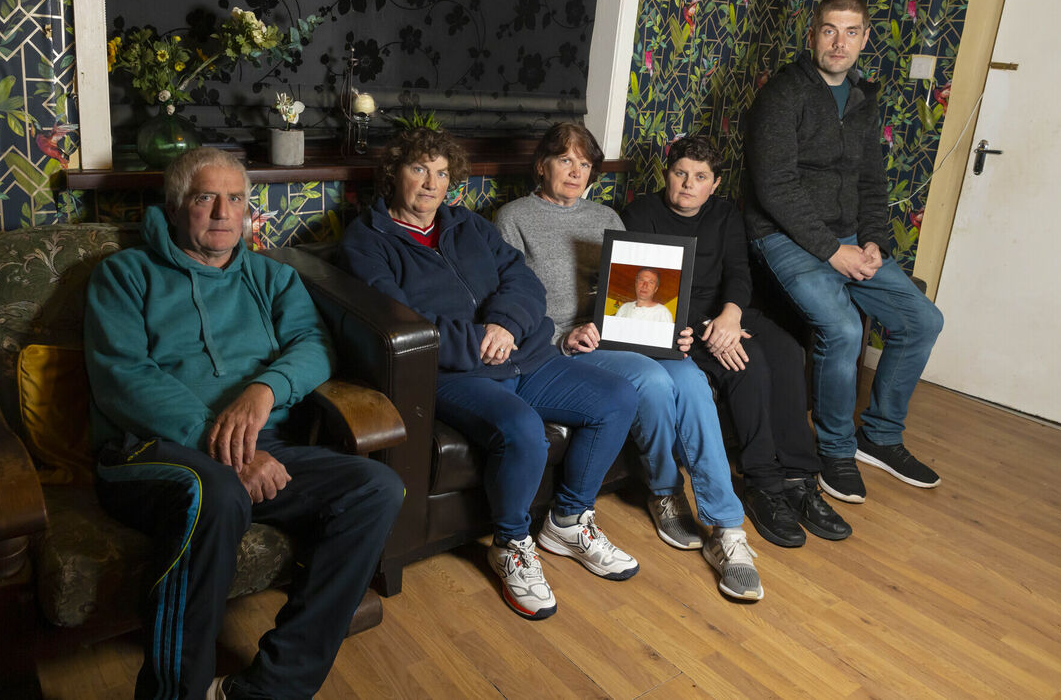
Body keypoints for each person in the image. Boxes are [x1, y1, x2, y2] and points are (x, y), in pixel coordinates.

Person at [84, 148, 403, 700]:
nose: (222, 212)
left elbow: (313, 344)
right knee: (218, 490)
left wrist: (264, 391)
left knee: (376, 488)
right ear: (176, 205)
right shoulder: (124, 274)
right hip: (150, 450)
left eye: (236, 199)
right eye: (206, 197)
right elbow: (124, 377)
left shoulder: (271, 277)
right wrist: (225, 444)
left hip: (266, 442)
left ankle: (268, 690)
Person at [339, 127, 641, 621]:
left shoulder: (468, 225)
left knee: (617, 398)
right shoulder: (368, 241)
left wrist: (505, 324)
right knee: (523, 429)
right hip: (455, 372)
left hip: (525, 353)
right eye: (419, 169)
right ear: (393, 174)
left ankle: (568, 519)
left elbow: (522, 281)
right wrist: (479, 341)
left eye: (441, 172)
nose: (431, 183)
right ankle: (512, 544)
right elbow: (399, 318)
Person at [496, 123, 765, 601]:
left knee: (693, 380)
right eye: (565, 161)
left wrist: (670, 328)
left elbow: (635, 291)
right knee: (654, 383)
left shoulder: (607, 217)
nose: (576, 172)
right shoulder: (513, 218)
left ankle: (727, 528)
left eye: (584, 164)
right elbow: (511, 299)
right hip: (564, 344)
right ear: (543, 165)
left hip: (620, 333)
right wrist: (564, 337)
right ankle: (663, 490)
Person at [743, 0, 945, 504]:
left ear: (865, 38)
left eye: (851, 31)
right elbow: (776, 187)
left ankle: (877, 436)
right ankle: (835, 451)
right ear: (812, 35)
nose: (839, 42)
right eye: (829, 30)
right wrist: (835, 252)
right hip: (783, 235)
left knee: (923, 320)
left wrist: (873, 241)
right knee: (842, 326)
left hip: (851, 237)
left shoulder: (862, 100)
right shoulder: (782, 94)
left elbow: (872, 183)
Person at [623, 135, 852, 547]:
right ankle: (763, 484)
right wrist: (710, 326)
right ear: (666, 173)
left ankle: (799, 478)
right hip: (679, 321)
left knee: (787, 350)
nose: (688, 184)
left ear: (714, 183)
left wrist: (731, 314)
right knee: (748, 361)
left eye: (700, 177)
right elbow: (647, 288)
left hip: (729, 312)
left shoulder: (726, 214)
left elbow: (738, 272)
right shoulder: (641, 213)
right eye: (680, 173)